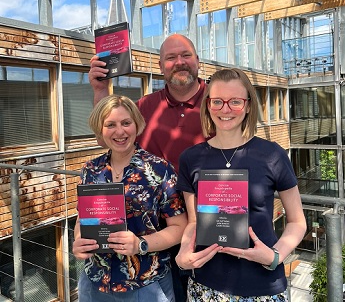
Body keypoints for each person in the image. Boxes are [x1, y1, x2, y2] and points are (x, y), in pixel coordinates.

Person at [88, 33, 207, 299]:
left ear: (198, 61)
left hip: (212, 223)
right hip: (158, 232)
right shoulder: (145, 106)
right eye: (170, 57)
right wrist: (100, 90)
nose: (179, 62)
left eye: (185, 55)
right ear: (160, 65)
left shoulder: (217, 101)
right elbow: (108, 135)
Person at [175, 68, 307, 301]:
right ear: (208, 105)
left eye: (235, 101)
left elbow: (297, 221)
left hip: (262, 287)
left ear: (247, 106)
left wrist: (275, 256)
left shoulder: (272, 155)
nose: (225, 110)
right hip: (205, 286)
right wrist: (183, 253)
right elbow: (194, 222)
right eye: (217, 101)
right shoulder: (190, 158)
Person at [73, 94, 187, 302]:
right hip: (95, 281)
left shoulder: (159, 169)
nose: (119, 131)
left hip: (146, 285)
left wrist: (140, 244)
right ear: (100, 129)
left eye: (126, 123)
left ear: (137, 125)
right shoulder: (91, 170)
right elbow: (83, 219)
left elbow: (180, 227)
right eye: (110, 124)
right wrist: (79, 240)